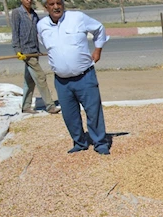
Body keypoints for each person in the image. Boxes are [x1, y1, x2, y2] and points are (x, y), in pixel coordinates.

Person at [37, 0, 111, 154]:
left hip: (85, 76)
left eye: (59, 3)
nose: (56, 6)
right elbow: (45, 44)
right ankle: (79, 142)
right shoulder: (42, 25)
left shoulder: (77, 17)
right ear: (46, 8)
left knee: (93, 112)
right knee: (69, 115)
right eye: (51, 4)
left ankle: (100, 143)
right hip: (61, 81)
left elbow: (99, 28)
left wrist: (98, 50)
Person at [11, 0, 60, 115]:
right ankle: (50, 106)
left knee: (30, 81)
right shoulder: (17, 13)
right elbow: (15, 32)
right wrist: (17, 50)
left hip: (34, 51)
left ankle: (26, 106)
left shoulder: (33, 14)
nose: (28, 1)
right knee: (40, 77)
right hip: (26, 52)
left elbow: (39, 32)